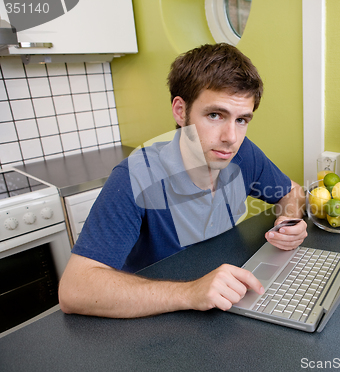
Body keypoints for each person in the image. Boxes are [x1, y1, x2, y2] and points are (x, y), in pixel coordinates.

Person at [58, 43, 307, 318]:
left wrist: (287, 220)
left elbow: (292, 192)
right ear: (180, 110)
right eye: (215, 115)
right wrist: (190, 293)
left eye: (241, 120)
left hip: (222, 306)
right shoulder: (136, 176)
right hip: (152, 324)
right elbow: (74, 290)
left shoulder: (243, 153)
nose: (231, 137)